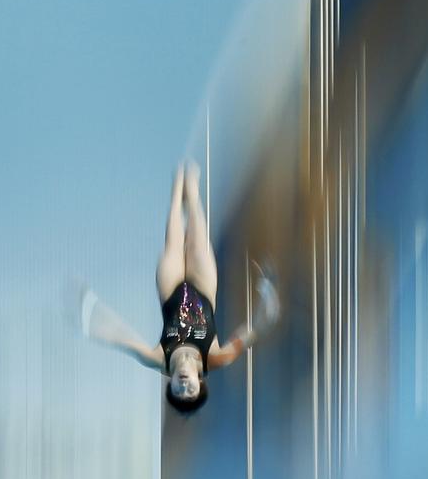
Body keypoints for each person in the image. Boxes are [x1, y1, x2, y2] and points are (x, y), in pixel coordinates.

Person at [79, 161, 279, 413]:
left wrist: (90, 318)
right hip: (203, 285)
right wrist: (268, 296)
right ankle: (192, 193)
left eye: (178, 390)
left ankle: (176, 193)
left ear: (170, 382)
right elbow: (253, 330)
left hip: (170, 287)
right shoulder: (216, 357)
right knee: (198, 236)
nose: (184, 386)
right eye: (191, 390)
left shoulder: (158, 359)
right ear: (200, 381)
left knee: (173, 241)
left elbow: (123, 338)